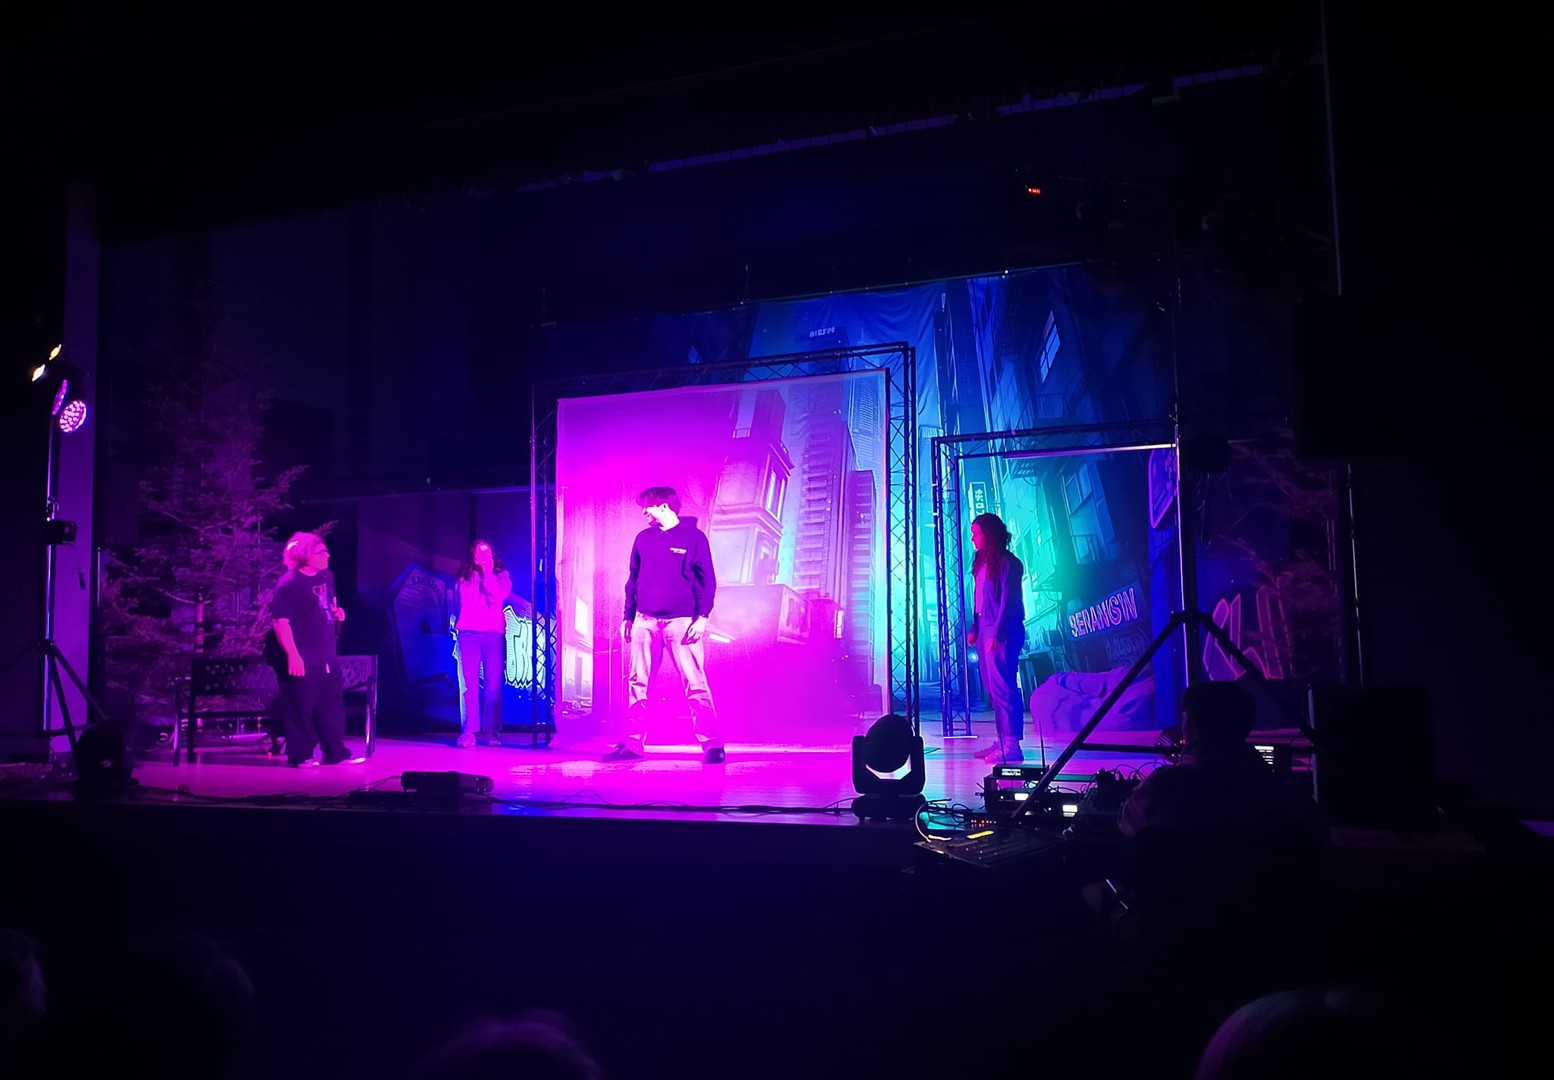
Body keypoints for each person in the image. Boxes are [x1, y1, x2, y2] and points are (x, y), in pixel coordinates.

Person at [604, 486, 725, 764]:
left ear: (664, 507)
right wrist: (628, 616)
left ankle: (713, 745)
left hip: (681, 622)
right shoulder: (643, 538)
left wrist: (702, 617)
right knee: (637, 683)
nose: (643, 512)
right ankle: (632, 744)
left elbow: (707, 579)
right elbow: (633, 579)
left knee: (695, 682)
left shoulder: (694, 538)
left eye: (647, 507)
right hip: (644, 621)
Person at [269, 531, 364, 767]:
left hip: (326, 654)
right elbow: (281, 622)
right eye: (320, 552)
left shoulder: (326, 576)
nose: (327, 555)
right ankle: (301, 755)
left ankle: (335, 753)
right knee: (300, 708)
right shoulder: (289, 584)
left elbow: (325, 605)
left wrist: (337, 612)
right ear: (304, 555)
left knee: (331, 709)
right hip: (303, 655)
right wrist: (293, 656)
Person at [967, 512, 1027, 763]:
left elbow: (1009, 601)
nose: (972, 538)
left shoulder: (1009, 563)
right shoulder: (982, 564)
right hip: (986, 628)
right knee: (993, 688)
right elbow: (980, 600)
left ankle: (1012, 745)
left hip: (1002, 630)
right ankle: (1003, 740)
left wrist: (999, 633)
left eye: (976, 534)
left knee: (1003, 687)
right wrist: (975, 627)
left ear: (989, 535)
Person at [451, 539, 513, 748]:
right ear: (473, 555)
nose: (484, 555)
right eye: (480, 552)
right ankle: (469, 731)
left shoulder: (502, 576)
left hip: (493, 635)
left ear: (493, 554)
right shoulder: (464, 577)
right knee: (468, 686)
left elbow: (497, 596)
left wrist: (488, 573)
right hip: (468, 634)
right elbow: (460, 604)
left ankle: (493, 731)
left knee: (493, 685)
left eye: (487, 551)